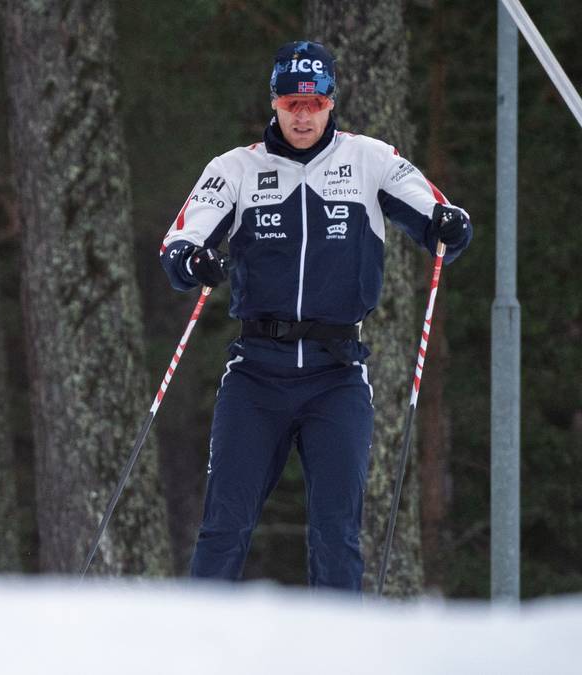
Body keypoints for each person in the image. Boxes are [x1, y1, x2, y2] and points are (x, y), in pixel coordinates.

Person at [159, 41, 472, 591]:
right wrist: (192, 260)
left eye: (314, 104)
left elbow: (439, 219)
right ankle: (199, 635)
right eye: (291, 104)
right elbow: (179, 244)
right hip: (256, 373)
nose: (302, 117)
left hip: (337, 374)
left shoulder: (370, 159)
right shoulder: (235, 168)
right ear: (274, 103)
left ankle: (339, 639)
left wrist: (450, 224)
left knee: (336, 533)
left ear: (331, 103)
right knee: (224, 525)